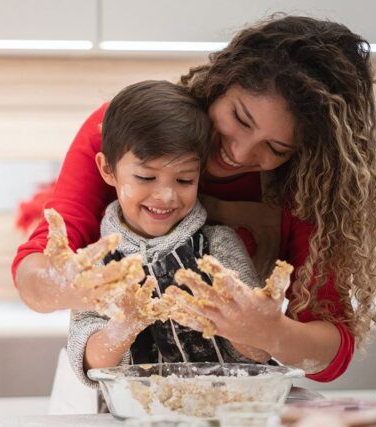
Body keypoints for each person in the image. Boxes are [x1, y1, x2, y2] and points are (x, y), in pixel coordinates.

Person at [13, 15, 376, 383]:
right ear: (220, 83)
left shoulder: (306, 187)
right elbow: (39, 267)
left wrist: (270, 332)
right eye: (240, 118)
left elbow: (330, 354)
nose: (241, 153)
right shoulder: (131, 133)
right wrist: (62, 287)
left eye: (276, 148)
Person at [64, 80, 272, 387]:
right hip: (134, 414)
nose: (166, 197)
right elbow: (86, 362)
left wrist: (233, 322)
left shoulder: (219, 246)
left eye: (185, 180)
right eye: (146, 177)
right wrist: (124, 326)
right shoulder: (97, 266)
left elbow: (262, 351)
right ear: (108, 170)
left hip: (226, 408)